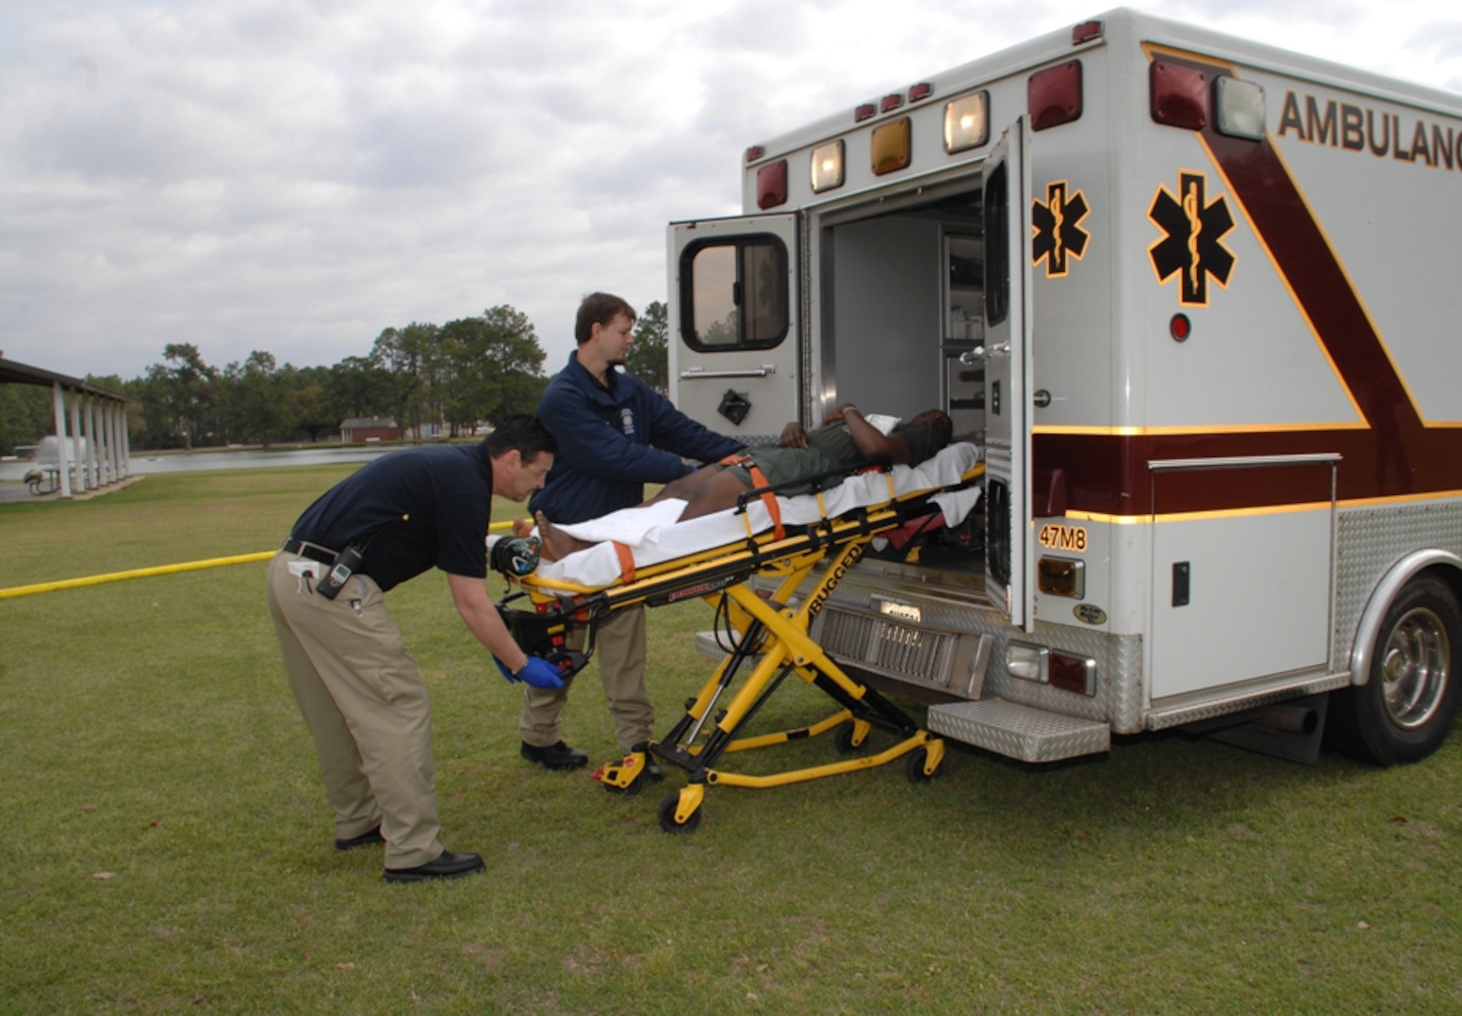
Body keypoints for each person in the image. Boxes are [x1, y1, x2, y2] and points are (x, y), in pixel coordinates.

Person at [267, 415, 560, 884]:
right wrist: (520, 662)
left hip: (290, 572)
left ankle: (358, 820)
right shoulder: (466, 487)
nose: (540, 484)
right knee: (398, 706)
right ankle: (413, 850)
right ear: (510, 460)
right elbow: (470, 601)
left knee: (335, 709)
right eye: (538, 473)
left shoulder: (449, 468)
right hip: (333, 588)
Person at [518, 292, 744, 778]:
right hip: (567, 538)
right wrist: (688, 475)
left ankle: (636, 744)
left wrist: (739, 458)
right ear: (595, 331)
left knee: (623, 642)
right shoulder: (563, 398)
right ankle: (538, 738)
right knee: (567, 644)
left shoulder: (631, 392)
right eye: (624, 330)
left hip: (616, 538)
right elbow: (613, 455)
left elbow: (684, 432)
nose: (631, 339)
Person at [532, 403, 954, 560]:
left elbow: (877, 450)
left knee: (702, 501)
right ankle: (581, 533)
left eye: (938, 418)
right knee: (680, 489)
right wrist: (795, 426)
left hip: (806, 468)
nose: (932, 415)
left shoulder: (916, 438)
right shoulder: (882, 423)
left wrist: (847, 411)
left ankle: (587, 548)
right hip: (784, 453)